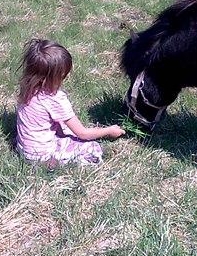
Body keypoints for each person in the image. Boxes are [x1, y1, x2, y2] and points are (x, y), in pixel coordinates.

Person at [16, 38, 125, 167]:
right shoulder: (55, 99)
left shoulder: (28, 88)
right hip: (40, 154)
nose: (64, 79)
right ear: (50, 78)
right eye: (62, 76)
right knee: (92, 147)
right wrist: (109, 131)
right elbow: (83, 133)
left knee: (65, 128)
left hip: (23, 149)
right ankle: (52, 163)